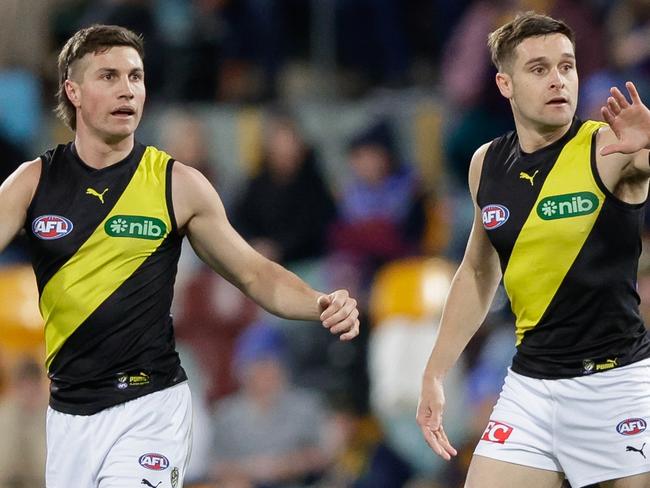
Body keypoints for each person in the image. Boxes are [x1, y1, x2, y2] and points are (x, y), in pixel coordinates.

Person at [0, 24, 360, 488]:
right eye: (109, 76)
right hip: (69, 415)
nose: (127, 89)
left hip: (150, 408)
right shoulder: (32, 183)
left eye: (136, 76)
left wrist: (319, 302)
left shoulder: (177, 184)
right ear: (72, 90)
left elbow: (254, 274)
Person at [417, 11, 650, 488]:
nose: (558, 80)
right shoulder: (487, 163)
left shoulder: (610, 147)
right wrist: (435, 373)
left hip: (616, 384)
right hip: (532, 385)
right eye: (539, 69)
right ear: (505, 84)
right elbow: (479, 274)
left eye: (567, 66)